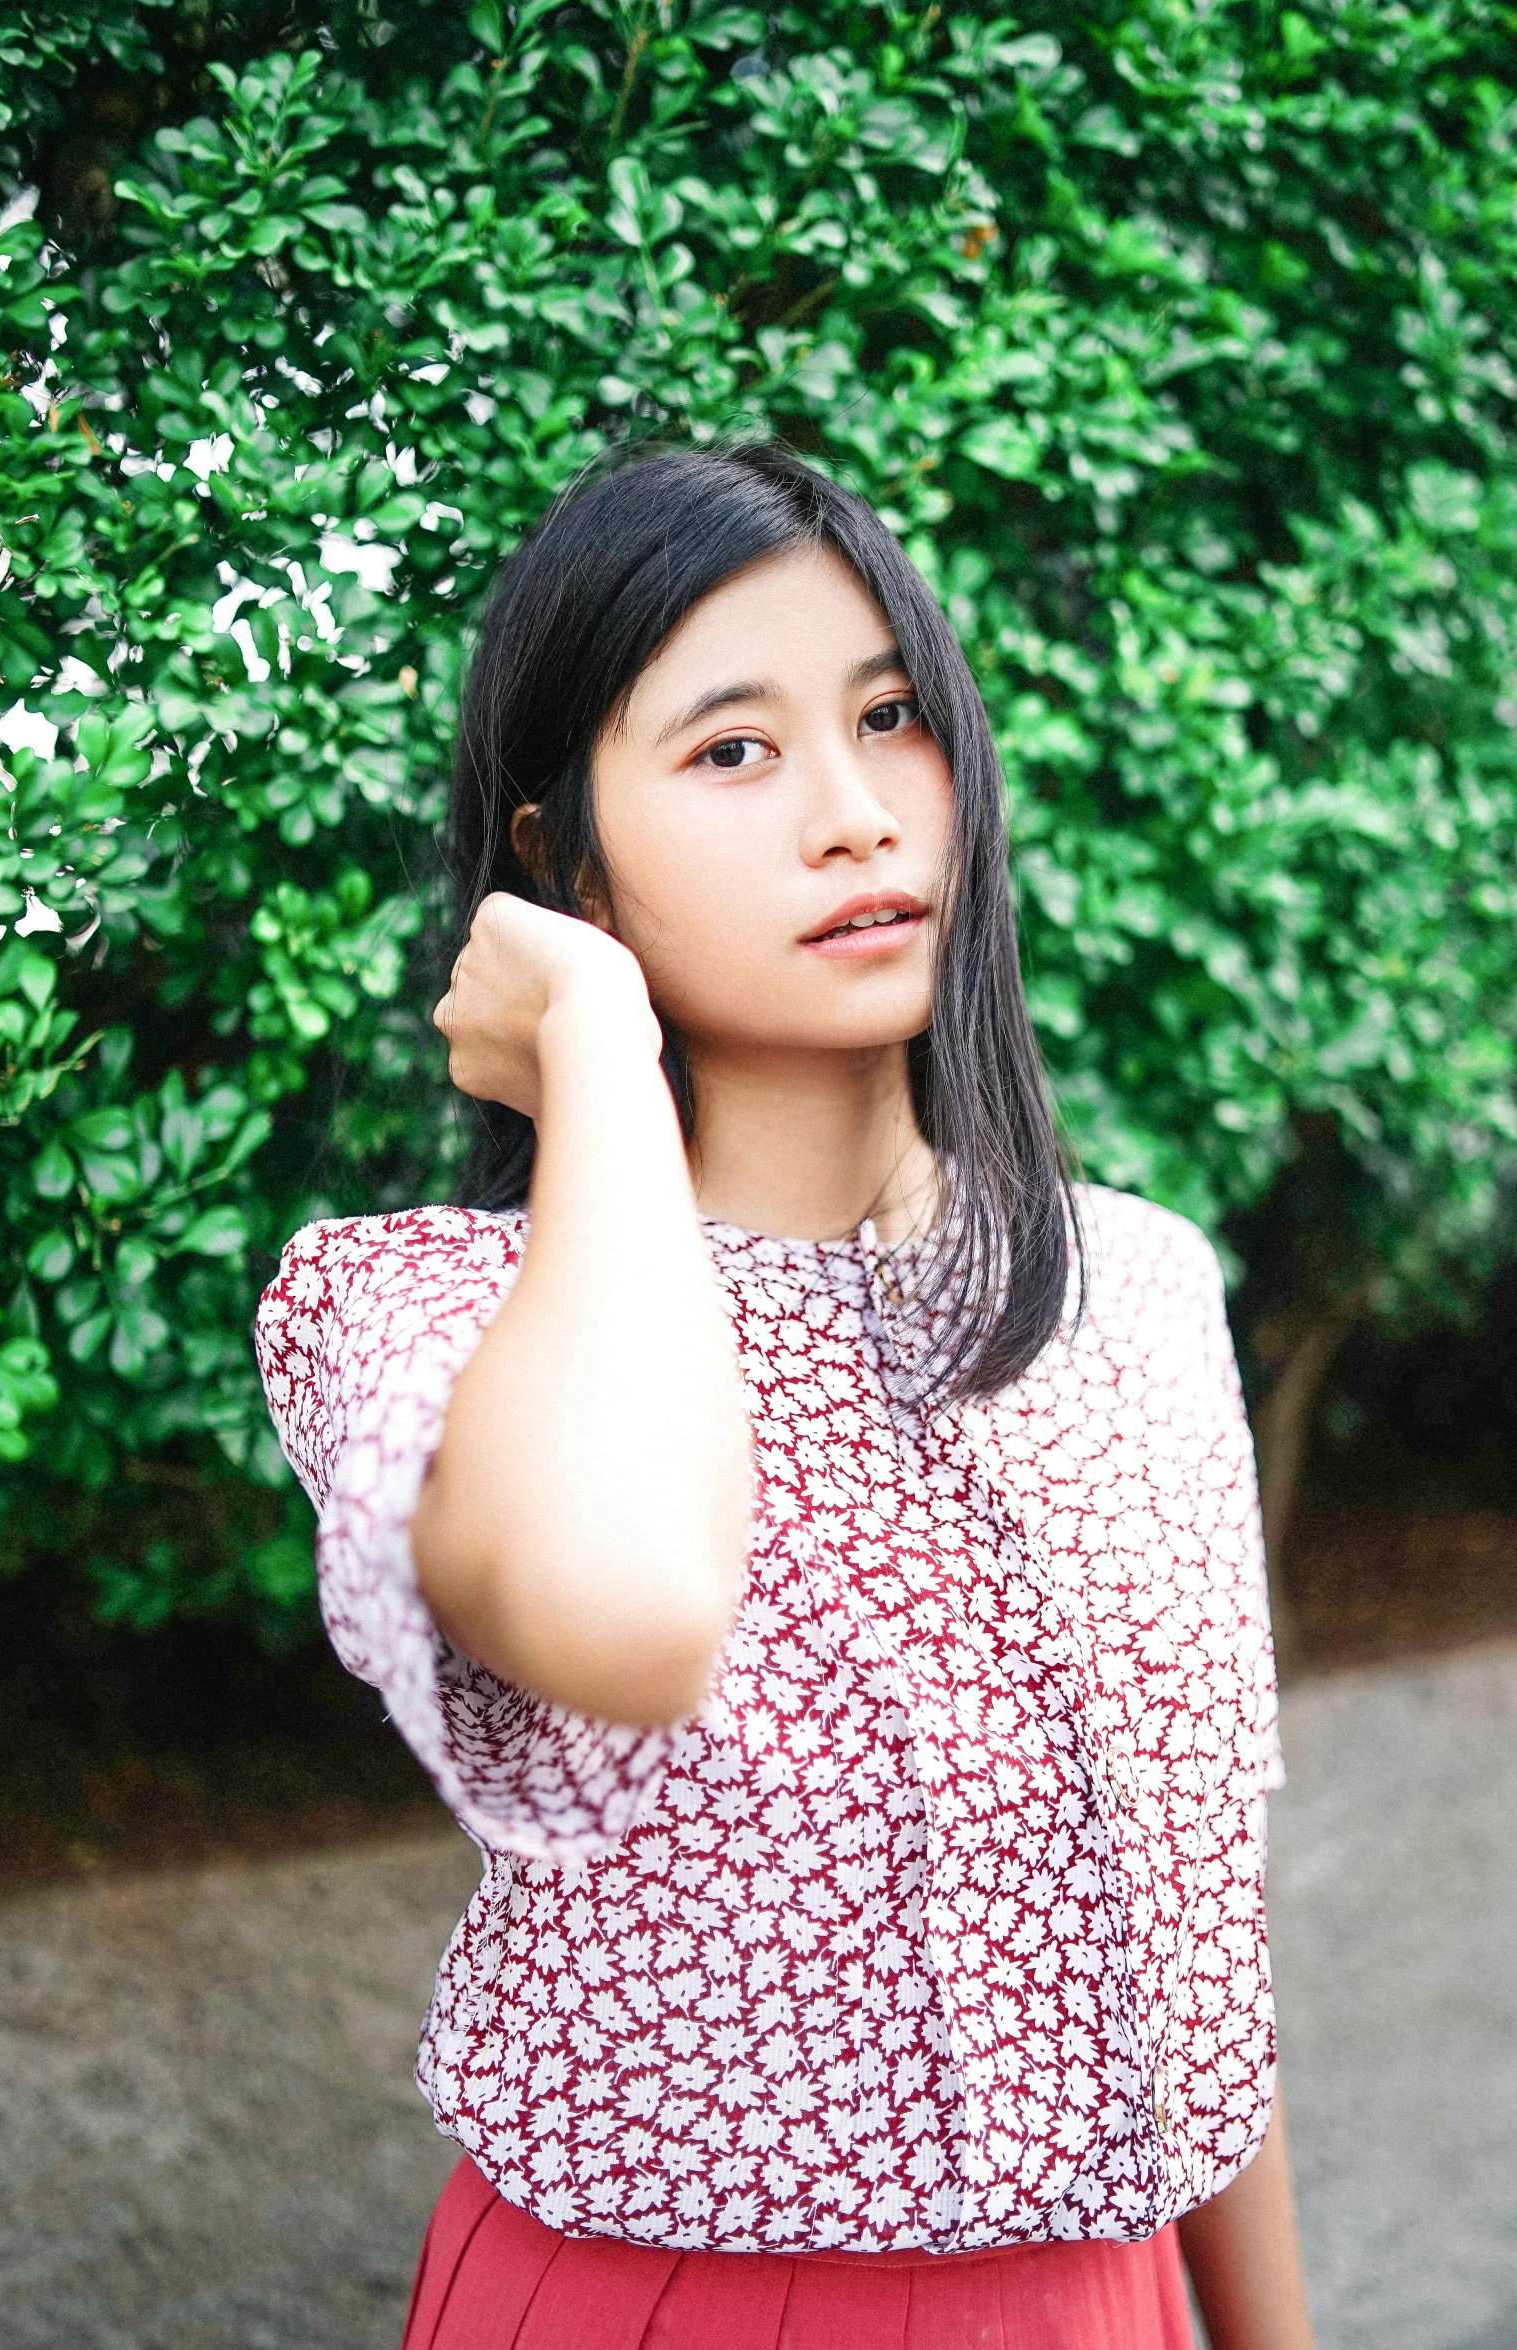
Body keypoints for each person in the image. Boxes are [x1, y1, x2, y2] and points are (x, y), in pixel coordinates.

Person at [255, 443, 1314, 2350]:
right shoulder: (416, 1308)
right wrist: (590, 1044)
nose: (853, 816)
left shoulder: (1137, 1288)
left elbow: (1200, 1935)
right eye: (731, 749)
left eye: (891, 716)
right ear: (561, 864)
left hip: (1106, 2304)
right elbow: (636, 1610)